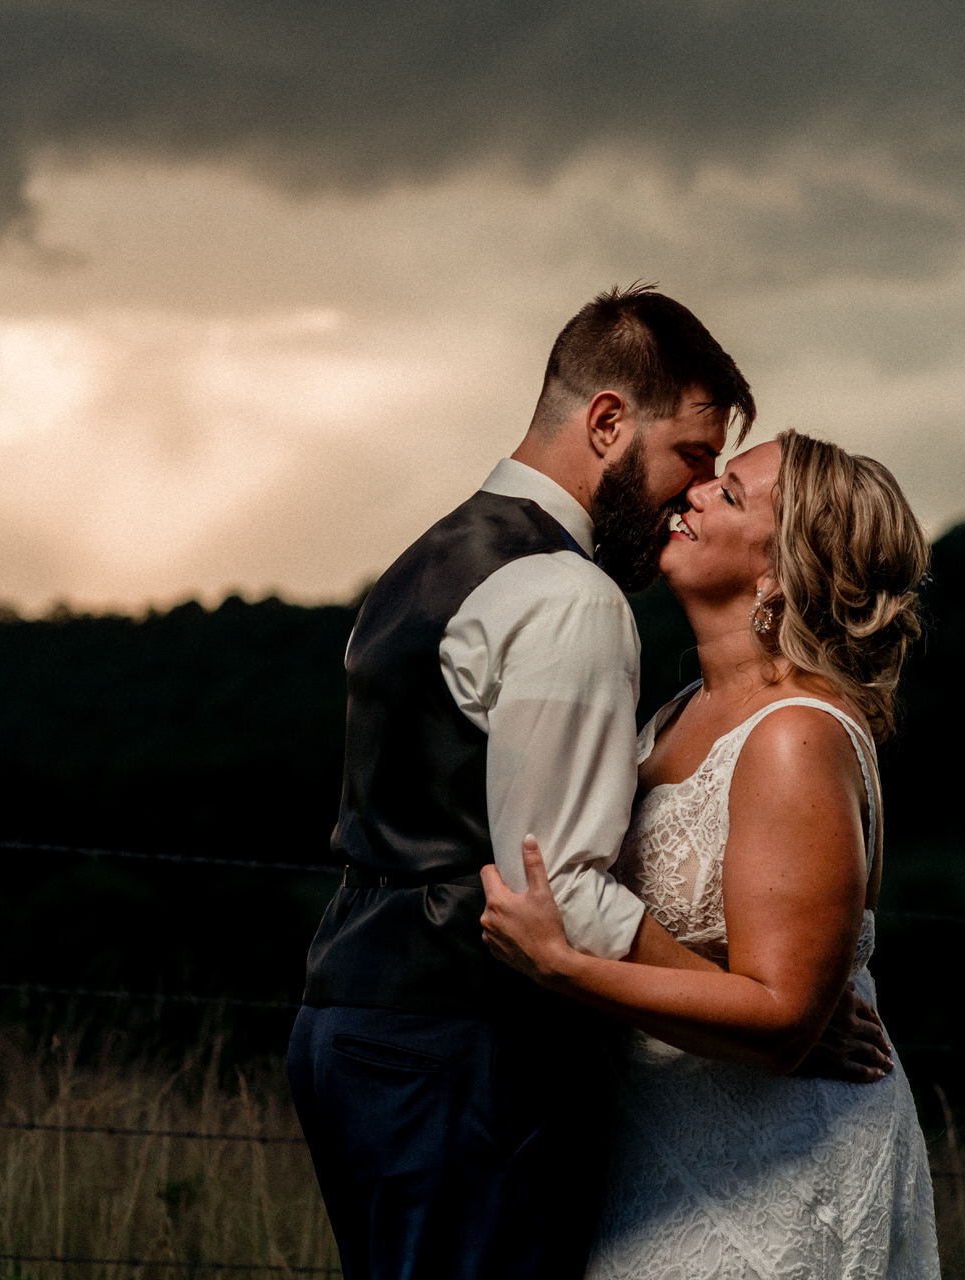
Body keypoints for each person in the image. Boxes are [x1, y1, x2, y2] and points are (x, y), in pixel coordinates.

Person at [286, 287, 890, 1280]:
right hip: (465, 1044)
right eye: (692, 458)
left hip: (344, 1017)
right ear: (608, 420)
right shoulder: (570, 594)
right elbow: (560, 887)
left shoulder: (418, 565)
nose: (688, 494)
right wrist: (774, 1018)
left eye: (718, 478)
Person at [481, 429, 942, 1278]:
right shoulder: (679, 709)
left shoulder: (794, 736)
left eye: (727, 493)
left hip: (777, 1167)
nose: (690, 495)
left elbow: (780, 1028)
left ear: (781, 570)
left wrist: (563, 969)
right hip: (660, 1146)